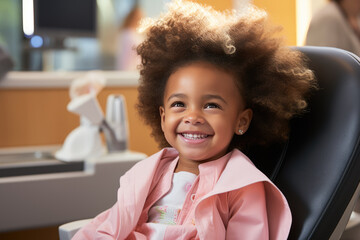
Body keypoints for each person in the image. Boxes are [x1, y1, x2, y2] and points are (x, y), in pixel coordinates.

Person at [73, 0, 317, 239]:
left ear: (241, 121)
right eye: (179, 104)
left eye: (211, 105)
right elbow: (107, 228)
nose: (192, 117)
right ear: (162, 116)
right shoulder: (148, 174)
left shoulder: (241, 186)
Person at [115, 5, 144, 71]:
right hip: (129, 70)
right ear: (133, 18)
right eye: (139, 17)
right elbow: (125, 57)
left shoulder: (136, 34)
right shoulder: (127, 34)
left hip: (136, 70)